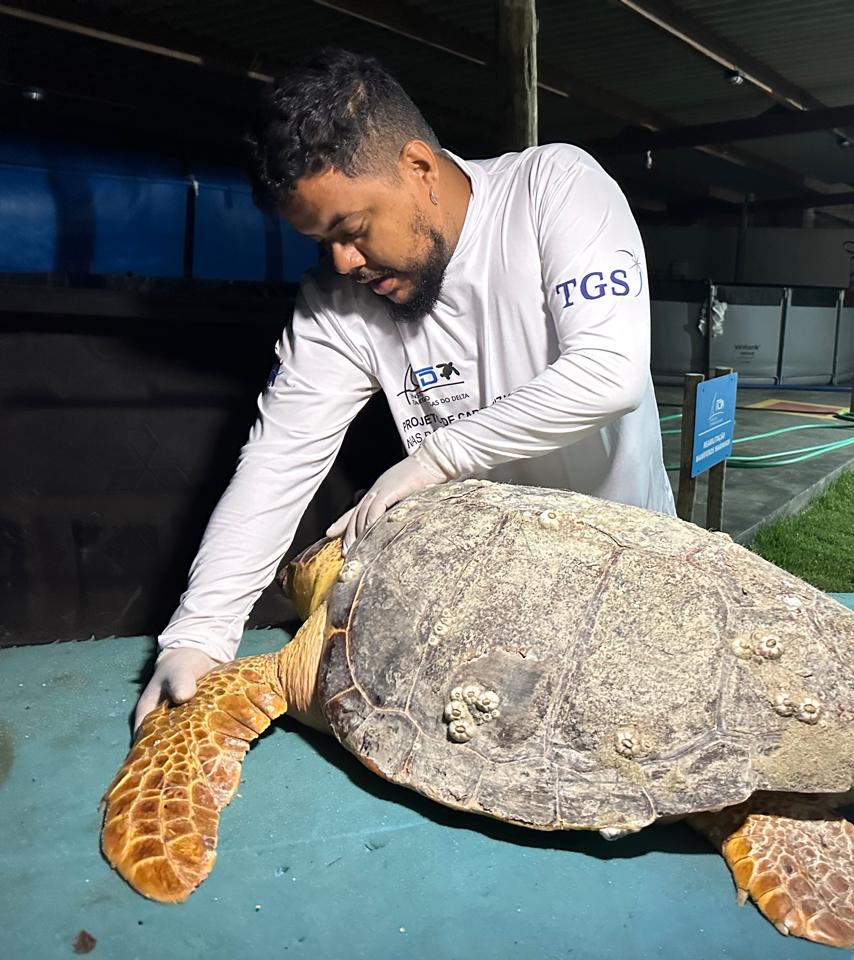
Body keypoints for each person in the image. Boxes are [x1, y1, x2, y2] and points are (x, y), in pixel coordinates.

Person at [133, 49, 674, 733]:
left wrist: (436, 458)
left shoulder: (554, 189)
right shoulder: (335, 303)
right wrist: (199, 635)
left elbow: (609, 372)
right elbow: (278, 461)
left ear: (418, 168)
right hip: (485, 614)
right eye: (320, 241)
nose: (342, 262)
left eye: (352, 231)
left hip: (628, 590)